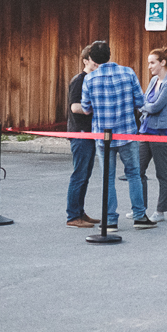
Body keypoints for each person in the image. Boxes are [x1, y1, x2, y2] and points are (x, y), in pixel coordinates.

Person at [78, 39, 146, 229]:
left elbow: (85, 108)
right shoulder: (128, 72)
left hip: (102, 136)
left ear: (92, 58)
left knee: (107, 178)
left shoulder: (89, 79)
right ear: (110, 54)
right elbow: (140, 101)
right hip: (126, 132)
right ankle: (139, 216)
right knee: (134, 174)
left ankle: (110, 219)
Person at [133, 47, 167, 226]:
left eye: (152, 62)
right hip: (145, 130)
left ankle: (160, 210)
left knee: (162, 173)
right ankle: (139, 208)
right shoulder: (153, 81)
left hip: (160, 132)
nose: (149, 66)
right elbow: (144, 101)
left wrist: (144, 106)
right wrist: (145, 106)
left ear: (163, 63)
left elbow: (155, 106)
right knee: (138, 170)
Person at [64, 44, 99, 227]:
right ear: (85, 60)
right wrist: (96, 107)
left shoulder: (92, 79)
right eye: (94, 60)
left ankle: (80, 211)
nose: (97, 64)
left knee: (85, 174)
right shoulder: (80, 80)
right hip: (80, 132)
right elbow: (75, 107)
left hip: (90, 133)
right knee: (79, 174)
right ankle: (72, 216)